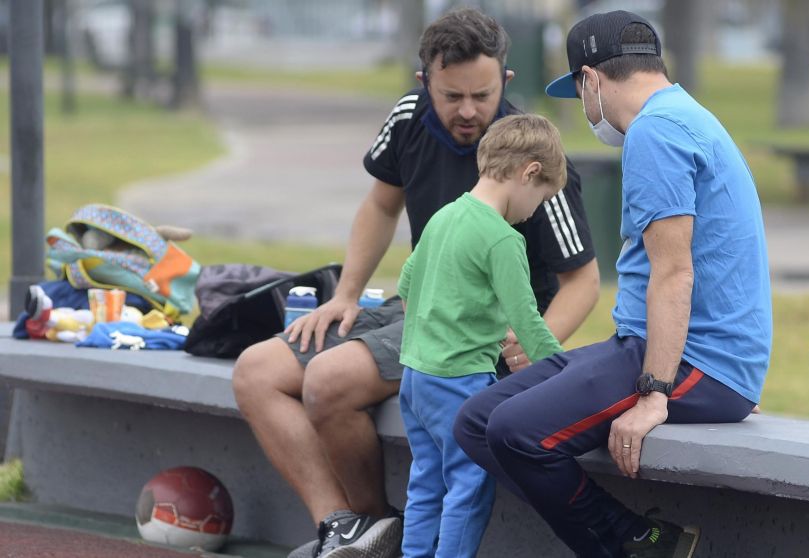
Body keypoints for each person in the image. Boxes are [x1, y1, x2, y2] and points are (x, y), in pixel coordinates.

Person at [230, 8, 600, 558]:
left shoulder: (534, 159)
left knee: (328, 381)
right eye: (452, 96)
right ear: (425, 82)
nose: (469, 111)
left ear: (506, 77)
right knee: (255, 372)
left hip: (478, 333)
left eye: (483, 94)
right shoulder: (408, 116)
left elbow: (583, 281)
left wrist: (533, 346)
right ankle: (350, 528)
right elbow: (381, 205)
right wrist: (347, 294)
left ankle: (380, 527)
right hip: (418, 307)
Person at [454, 10, 772, 558]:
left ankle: (640, 546)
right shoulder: (684, 116)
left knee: (512, 431)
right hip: (660, 350)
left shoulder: (656, 131)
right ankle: (631, 536)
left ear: (592, 80)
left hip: (691, 365)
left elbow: (675, 271)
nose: (584, 108)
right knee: (477, 421)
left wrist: (656, 394)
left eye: (578, 92)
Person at [397, 114, 567, 558]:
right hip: (459, 379)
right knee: (470, 485)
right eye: (542, 198)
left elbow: (406, 284)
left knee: (427, 479)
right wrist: (566, 374)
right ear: (530, 172)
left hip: (415, 377)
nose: (535, 210)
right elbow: (527, 320)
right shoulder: (502, 239)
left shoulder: (445, 216)